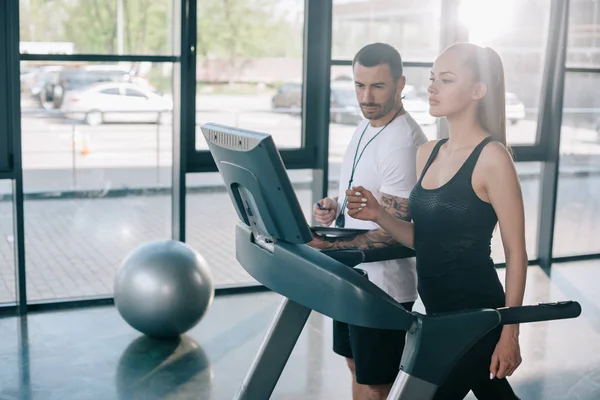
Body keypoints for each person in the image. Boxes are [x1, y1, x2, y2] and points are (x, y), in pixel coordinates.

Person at [344, 42, 527, 399]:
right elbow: (425, 241)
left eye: (445, 80)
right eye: (432, 78)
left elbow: (517, 254)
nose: (432, 87)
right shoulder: (427, 153)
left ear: (477, 91)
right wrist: (379, 214)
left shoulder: (493, 158)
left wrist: (510, 332)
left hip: (477, 315)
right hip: (437, 313)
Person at [309, 42, 428, 400]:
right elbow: (360, 190)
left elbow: (393, 234)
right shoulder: (367, 126)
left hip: (385, 287)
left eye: (377, 86)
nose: (367, 96)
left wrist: (328, 245)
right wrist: (333, 205)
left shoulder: (403, 143)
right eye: (360, 85)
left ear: (400, 83)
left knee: (378, 384)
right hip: (354, 277)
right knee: (354, 365)